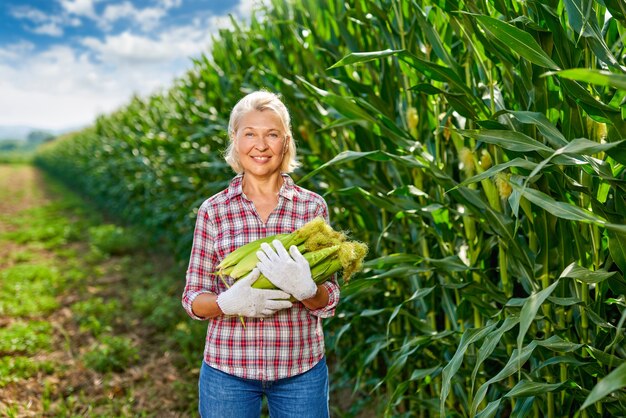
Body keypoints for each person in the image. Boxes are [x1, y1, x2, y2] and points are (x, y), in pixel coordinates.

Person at [181, 90, 340, 418]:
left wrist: (308, 290)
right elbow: (192, 298)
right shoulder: (214, 210)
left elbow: (330, 301)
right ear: (235, 140)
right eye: (249, 133)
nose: (261, 145)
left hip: (301, 369)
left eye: (272, 134)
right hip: (228, 370)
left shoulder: (312, 208)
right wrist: (227, 303)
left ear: (286, 141)